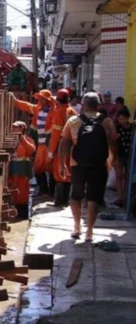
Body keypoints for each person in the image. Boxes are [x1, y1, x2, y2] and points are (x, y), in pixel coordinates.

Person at [59, 92, 117, 242]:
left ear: (83, 104)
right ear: (98, 104)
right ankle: (90, 231)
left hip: (77, 164)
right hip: (99, 165)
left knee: (75, 196)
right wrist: (110, 161)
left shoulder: (73, 121)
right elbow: (113, 143)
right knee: (93, 198)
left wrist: (61, 164)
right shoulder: (107, 122)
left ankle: (77, 227)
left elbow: (64, 143)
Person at [12, 89, 55, 197]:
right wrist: (14, 101)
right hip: (41, 144)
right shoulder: (38, 109)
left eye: (43, 98)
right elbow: (26, 106)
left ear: (47, 100)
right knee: (38, 167)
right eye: (40, 98)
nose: (40, 100)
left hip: (49, 143)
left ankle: (52, 191)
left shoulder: (53, 112)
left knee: (52, 168)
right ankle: (44, 190)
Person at [48, 88, 79, 206]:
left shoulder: (58, 112)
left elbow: (56, 134)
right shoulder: (72, 111)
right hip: (72, 146)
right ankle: (65, 200)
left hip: (61, 147)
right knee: (68, 172)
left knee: (60, 172)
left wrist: (51, 151)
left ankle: (60, 200)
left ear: (58, 100)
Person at [9, 121, 37, 219]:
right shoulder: (8, 139)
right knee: (12, 190)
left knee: (22, 192)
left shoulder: (28, 140)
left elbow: (31, 150)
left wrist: (22, 140)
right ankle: (13, 213)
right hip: (12, 169)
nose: (15, 129)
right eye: (14, 127)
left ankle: (22, 215)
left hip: (23, 169)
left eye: (18, 127)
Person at [114, 106, 132, 207]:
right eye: (120, 119)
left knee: (128, 177)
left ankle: (127, 197)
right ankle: (120, 198)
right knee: (119, 177)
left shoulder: (133, 128)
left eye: (124, 119)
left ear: (128, 117)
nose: (122, 121)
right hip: (119, 155)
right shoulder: (116, 128)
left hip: (130, 157)